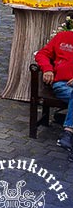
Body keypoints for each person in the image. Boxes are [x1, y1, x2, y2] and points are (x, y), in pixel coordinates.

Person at [34, 21, 73, 162]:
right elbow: (41, 54)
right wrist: (48, 69)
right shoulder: (63, 36)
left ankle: (68, 134)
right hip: (62, 84)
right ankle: (68, 133)